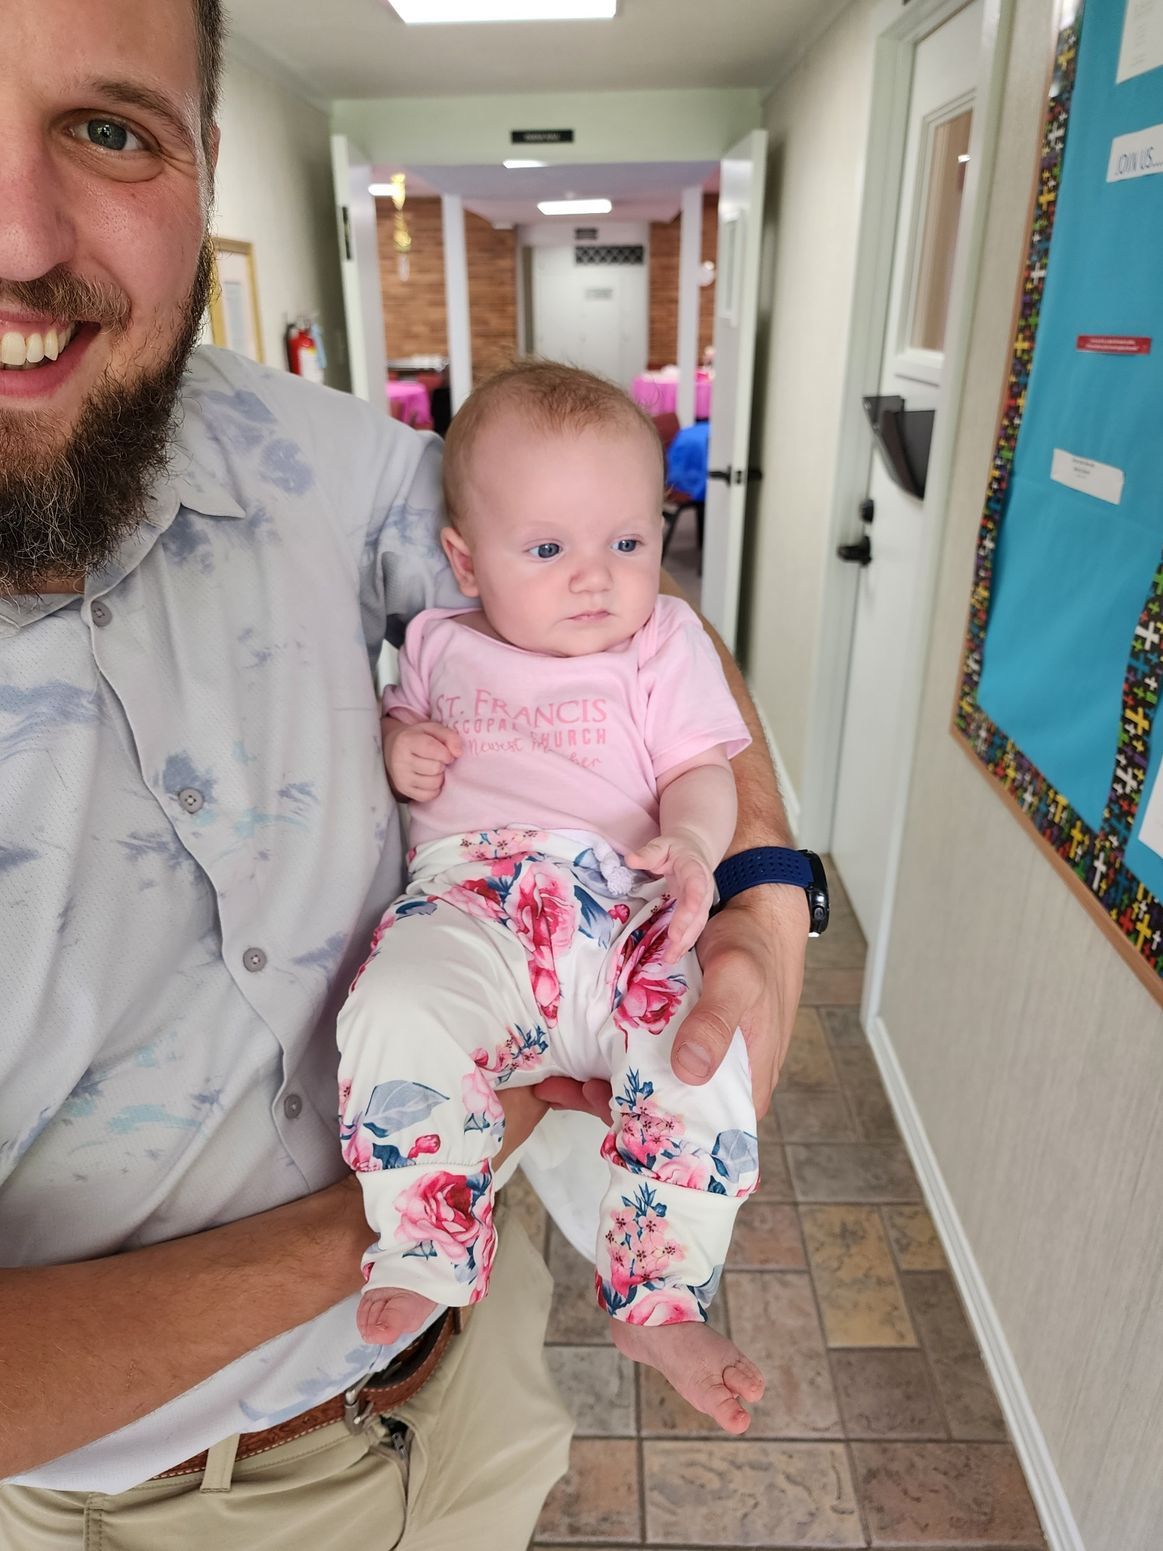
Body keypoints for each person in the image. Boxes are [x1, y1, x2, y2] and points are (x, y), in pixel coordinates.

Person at [0, 0, 810, 1544]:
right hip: (161, 1504)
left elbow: (606, 616)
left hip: (477, 1379)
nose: (21, 230)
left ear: (204, 160)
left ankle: (656, 1285)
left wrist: (754, 895)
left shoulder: (325, 464)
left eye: (109, 129)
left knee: (691, 1090)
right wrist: (388, 1219)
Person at [338, 362, 767, 1436]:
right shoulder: (435, 644)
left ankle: (659, 1294)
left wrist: (693, 843)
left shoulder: (659, 643)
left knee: (703, 1064)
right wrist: (401, 749)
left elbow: (702, 765)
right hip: (473, 909)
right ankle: (427, 1240)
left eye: (626, 543)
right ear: (463, 561)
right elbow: (388, 731)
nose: (595, 578)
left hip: (622, 912)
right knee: (392, 1012)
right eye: (547, 550)